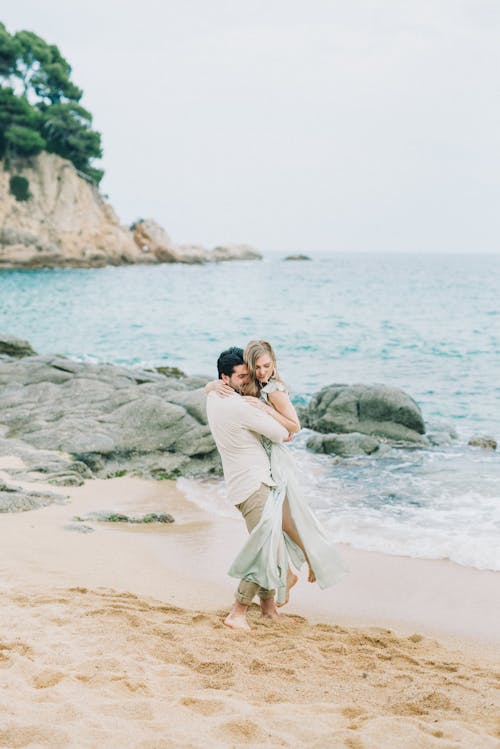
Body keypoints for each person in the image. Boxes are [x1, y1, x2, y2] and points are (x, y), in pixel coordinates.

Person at [206, 340, 347, 614]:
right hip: (261, 468)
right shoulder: (237, 394)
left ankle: (301, 567)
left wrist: (267, 411)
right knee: (276, 530)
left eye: (264, 367)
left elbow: (292, 428)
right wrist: (210, 385)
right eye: (252, 370)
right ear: (227, 378)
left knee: (282, 526)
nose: (258, 374)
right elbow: (272, 427)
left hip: (271, 463)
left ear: (274, 364)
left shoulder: (271, 390)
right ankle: (278, 590)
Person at [205, 346, 290, 631]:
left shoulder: (214, 397)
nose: (247, 381)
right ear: (225, 378)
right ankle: (238, 612)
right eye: (241, 376)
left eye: (248, 374)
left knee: (266, 543)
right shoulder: (238, 405)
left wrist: (210, 386)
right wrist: (266, 410)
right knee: (262, 548)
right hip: (254, 485)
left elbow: (209, 390)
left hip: (242, 484)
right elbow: (282, 433)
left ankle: (268, 608)